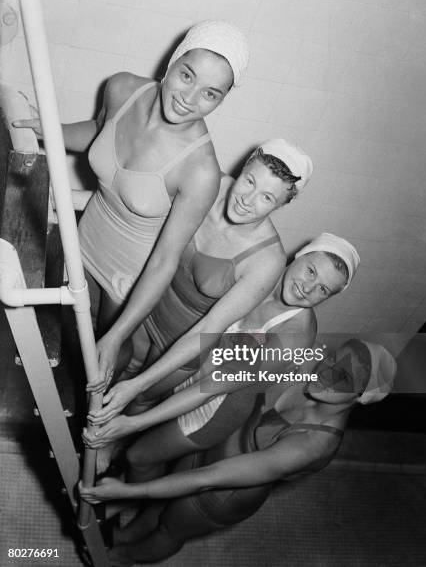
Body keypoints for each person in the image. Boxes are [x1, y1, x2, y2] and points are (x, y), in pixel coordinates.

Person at [13, 20, 249, 387]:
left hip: (130, 273)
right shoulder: (123, 89)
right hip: (86, 236)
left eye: (210, 94)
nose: (189, 98)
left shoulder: (201, 172)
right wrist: (50, 130)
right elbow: (99, 131)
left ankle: (97, 410)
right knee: (74, 333)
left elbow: (165, 260)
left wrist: (120, 333)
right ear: (171, 62)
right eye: (187, 76)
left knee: (105, 352)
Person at [79, 339, 397, 566]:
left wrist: (129, 489)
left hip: (223, 495)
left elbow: (208, 479)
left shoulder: (312, 446)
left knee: (170, 527)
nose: (326, 371)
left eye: (343, 377)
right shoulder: (310, 377)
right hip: (217, 448)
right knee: (159, 506)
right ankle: (124, 535)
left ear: (360, 396)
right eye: (332, 359)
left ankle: (122, 557)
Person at [84, 234, 361, 480]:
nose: (309, 288)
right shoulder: (262, 268)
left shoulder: (293, 337)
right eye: (311, 271)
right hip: (198, 362)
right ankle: (112, 446)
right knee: (142, 396)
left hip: (217, 403)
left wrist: (133, 424)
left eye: (323, 289)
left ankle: (129, 503)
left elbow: (209, 390)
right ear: (298, 256)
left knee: (140, 457)